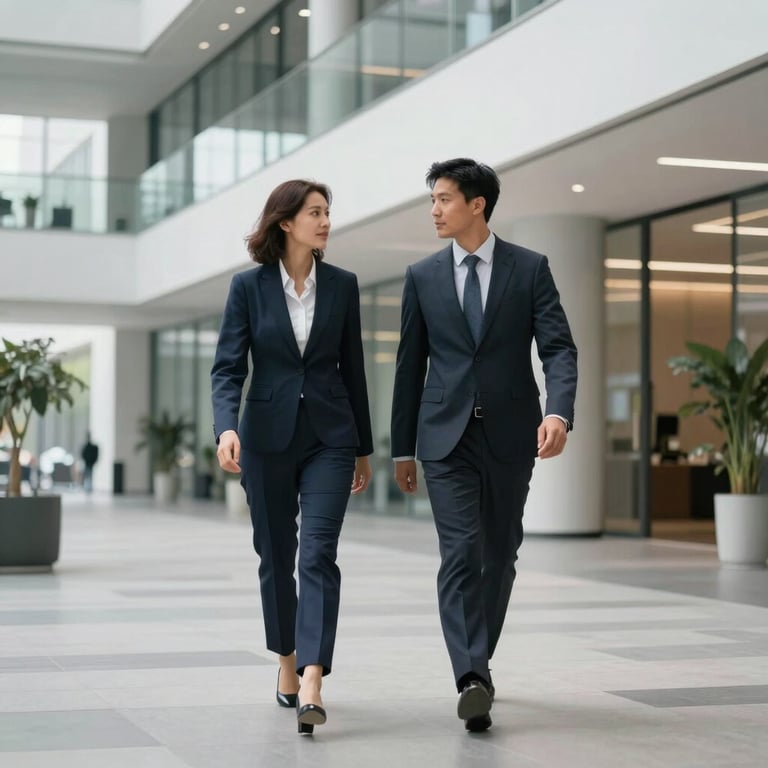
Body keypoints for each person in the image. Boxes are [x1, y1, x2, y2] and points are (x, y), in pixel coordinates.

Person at [390, 158, 577, 732]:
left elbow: (559, 349)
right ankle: (470, 676)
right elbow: (408, 366)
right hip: (444, 439)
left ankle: (479, 661)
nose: (435, 210)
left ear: (478, 205)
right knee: (461, 552)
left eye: (444, 199)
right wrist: (402, 449)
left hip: (511, 435)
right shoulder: (422, 276)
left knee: (500, 554)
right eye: (433, 200)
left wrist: (559, 413)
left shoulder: (529, 269)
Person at [211, 179, 373, 735]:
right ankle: (285, 659)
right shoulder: (248, 288)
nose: (326, 221)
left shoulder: (343, 285)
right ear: (286, 222)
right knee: (277, 556)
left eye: (329, 212)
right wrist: (225, 429)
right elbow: (228, 367)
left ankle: (312, 678)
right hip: (265, 437)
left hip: (332, 436)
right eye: (316, 212)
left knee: (318, 554)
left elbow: (354, 368)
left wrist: (364, 449)